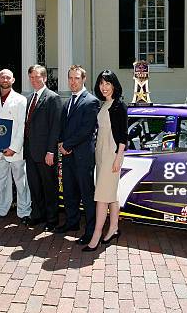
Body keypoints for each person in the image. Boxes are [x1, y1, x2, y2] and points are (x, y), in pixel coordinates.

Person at [83, 70, 128, 251]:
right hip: (101, 154)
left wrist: (118, 158)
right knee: (110, 194)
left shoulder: (119, 106)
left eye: (108, 83)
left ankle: (96, 235)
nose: (104, 87)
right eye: (101, 83)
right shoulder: (104, 105)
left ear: (114, 85)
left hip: (112, 154)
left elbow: (123, 136)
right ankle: (114, 228)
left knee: (101, 196)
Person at [56, 65, 100, 245]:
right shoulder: (67, 101)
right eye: (70, 78)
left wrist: (67, 144)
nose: (73, 82)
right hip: (67, 156)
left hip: (82, 157)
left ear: (84, 79)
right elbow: (63, 127)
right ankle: (72, 222)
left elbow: (86, 130)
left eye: (76, 78)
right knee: (69, 193)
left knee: (87, 196)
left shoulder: (91, 101)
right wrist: (60, 144)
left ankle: (90, 231)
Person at [0, 69, 31, 223]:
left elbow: (21, 126)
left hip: (15, 150)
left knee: (21, 182)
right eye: (2, 77)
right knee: (1, 182)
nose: (5, 79)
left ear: (13, 80)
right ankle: (1, 209)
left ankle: (24, 212)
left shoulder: (21, 100)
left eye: (8, 77)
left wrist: (14, 147)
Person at [24, 65, 63, 230]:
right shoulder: (28, 99)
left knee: (49, 187)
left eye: (37, 77)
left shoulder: (52, 98)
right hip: (30, 152)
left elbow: (55, 127)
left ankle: (52, 219)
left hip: (45, 153)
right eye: (31, 77)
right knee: (35, 186)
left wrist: (50, 151)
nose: (34, 80)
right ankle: (38, 214)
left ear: (45, 78)